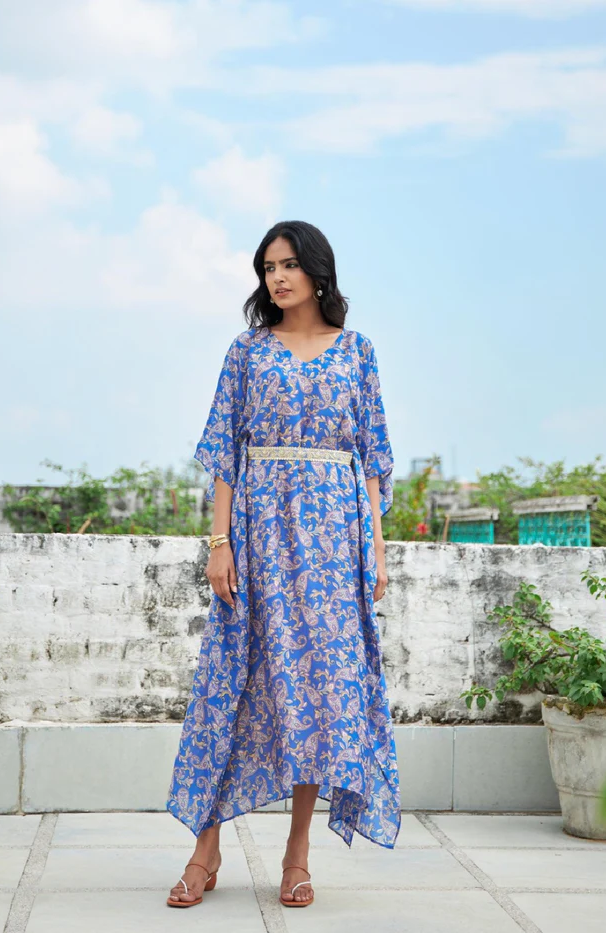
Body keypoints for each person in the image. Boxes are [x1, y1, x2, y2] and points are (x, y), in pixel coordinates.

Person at [166, 220, 401, 909]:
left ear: (318, 271)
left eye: (290, 264)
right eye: (269, 266)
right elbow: (223, 453)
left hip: (332, 543)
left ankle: (297, 856)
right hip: (259, 530)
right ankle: (205, 849)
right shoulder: (247, 351)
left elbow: (373, 460)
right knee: (235, 681)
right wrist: (219, 542)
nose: (278, 277)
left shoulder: (357, 350)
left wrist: (377, 549)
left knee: (318, 692)